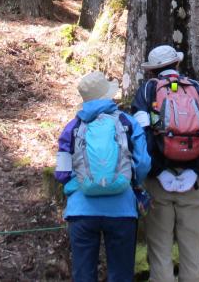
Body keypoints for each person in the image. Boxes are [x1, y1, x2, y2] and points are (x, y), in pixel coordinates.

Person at [131, 45, 199, 282]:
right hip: (192, 182)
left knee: (159, 251)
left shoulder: (148, 91)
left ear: (153, 70)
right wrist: (197, 170)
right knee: (193, 251)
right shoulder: (196, 88)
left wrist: (158, 171)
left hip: (159, 183)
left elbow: (142, 135)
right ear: (177, 65)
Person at [54, 71, 151, 282]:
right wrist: (132, 183)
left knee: (83, 274)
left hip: (82, 210)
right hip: (122, 210)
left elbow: (61, 173)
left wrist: (75, 185)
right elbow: (143, 162)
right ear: (107, 95)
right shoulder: (127, 122)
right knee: (121, 274)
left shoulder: (73, 127)